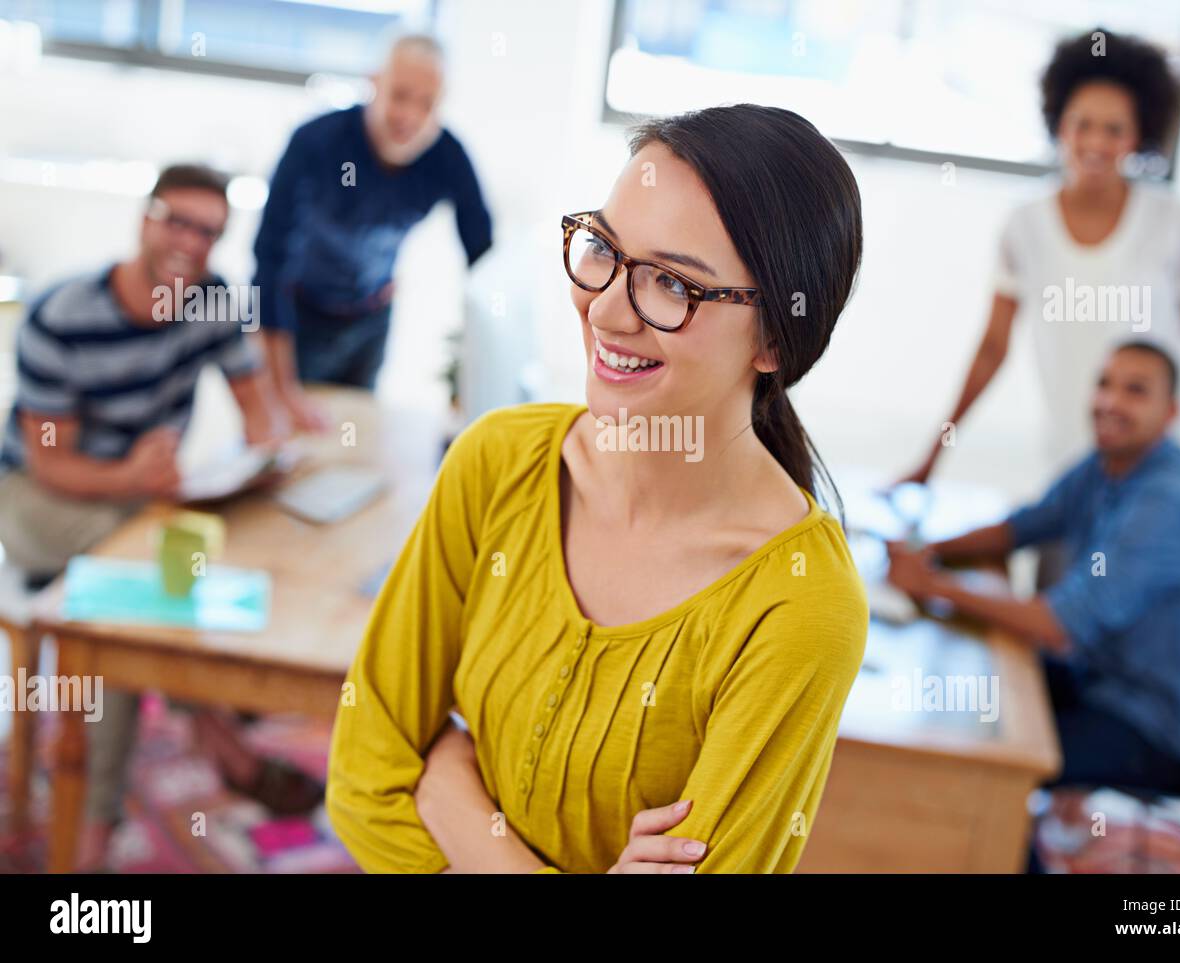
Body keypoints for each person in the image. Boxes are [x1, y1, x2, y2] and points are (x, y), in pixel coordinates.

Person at [326, 104, 869, 873]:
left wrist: (450, 783)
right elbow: (362, 769)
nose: (607, 310)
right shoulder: (497, 461)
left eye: (673, 284)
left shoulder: (799, 606)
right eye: (605, 250)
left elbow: (408, 770)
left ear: (777, 337)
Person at [0, 164, 321, 871]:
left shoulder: (211, 301)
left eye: (207, 230)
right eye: (176, 219)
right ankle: (106, 821)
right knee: (134, 594)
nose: (189, 240)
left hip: (138, 500)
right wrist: (130, 476)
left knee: (165, 573)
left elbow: (255, 410)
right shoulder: (62, 314)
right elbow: (50, 461)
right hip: (36, 497)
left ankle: (199, 742)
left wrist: (273, 451)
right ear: (144, 219)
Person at [886, 342, 1180, 868]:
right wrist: (928, 552)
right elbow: (1022, 527)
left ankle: (1007, 853)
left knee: (985, 765)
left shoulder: (1166, 499)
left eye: (1135, 390)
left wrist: (932, 587)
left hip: (1152, 722)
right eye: (1105, 383)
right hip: (1105, 677)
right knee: (958, 706)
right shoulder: (1109, 464)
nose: (1110, 401)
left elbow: (1058, 626)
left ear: (1171, 413)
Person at [902, 27, 1180, 507]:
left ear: (1138, 136)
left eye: (1114, 129)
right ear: (1060, 126)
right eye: (1083, 124)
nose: (1096, 142)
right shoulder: (1024, 227)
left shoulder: (1174, 223)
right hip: (1071, 461)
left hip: (1166, 460)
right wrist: (932, 458)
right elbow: (993, 349)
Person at [252, 34, 492, 429]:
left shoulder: (448, 156)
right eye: (399, 96)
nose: (410, 117)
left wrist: (473, 372)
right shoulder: (314, 142)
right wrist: (279, 385)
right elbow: (269, 258)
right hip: (300, 319)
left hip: (372, 318)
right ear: (374, 84)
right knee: (297, 431)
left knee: (353, 431)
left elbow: (482, 257)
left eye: (427, 103)